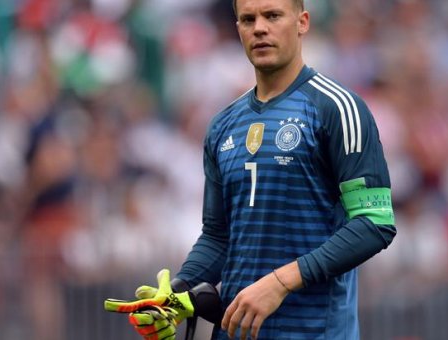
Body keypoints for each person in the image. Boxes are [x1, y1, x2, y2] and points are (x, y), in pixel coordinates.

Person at [119, 0, 396, 338]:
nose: (259, 28)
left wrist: (280, 282)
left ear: (302, 22)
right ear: (238, 29)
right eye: (248, 19)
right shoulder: (223, 125)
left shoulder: (338, 108)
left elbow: (374, 224)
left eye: (273, 16)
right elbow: (219, 237)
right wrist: (177, 293)